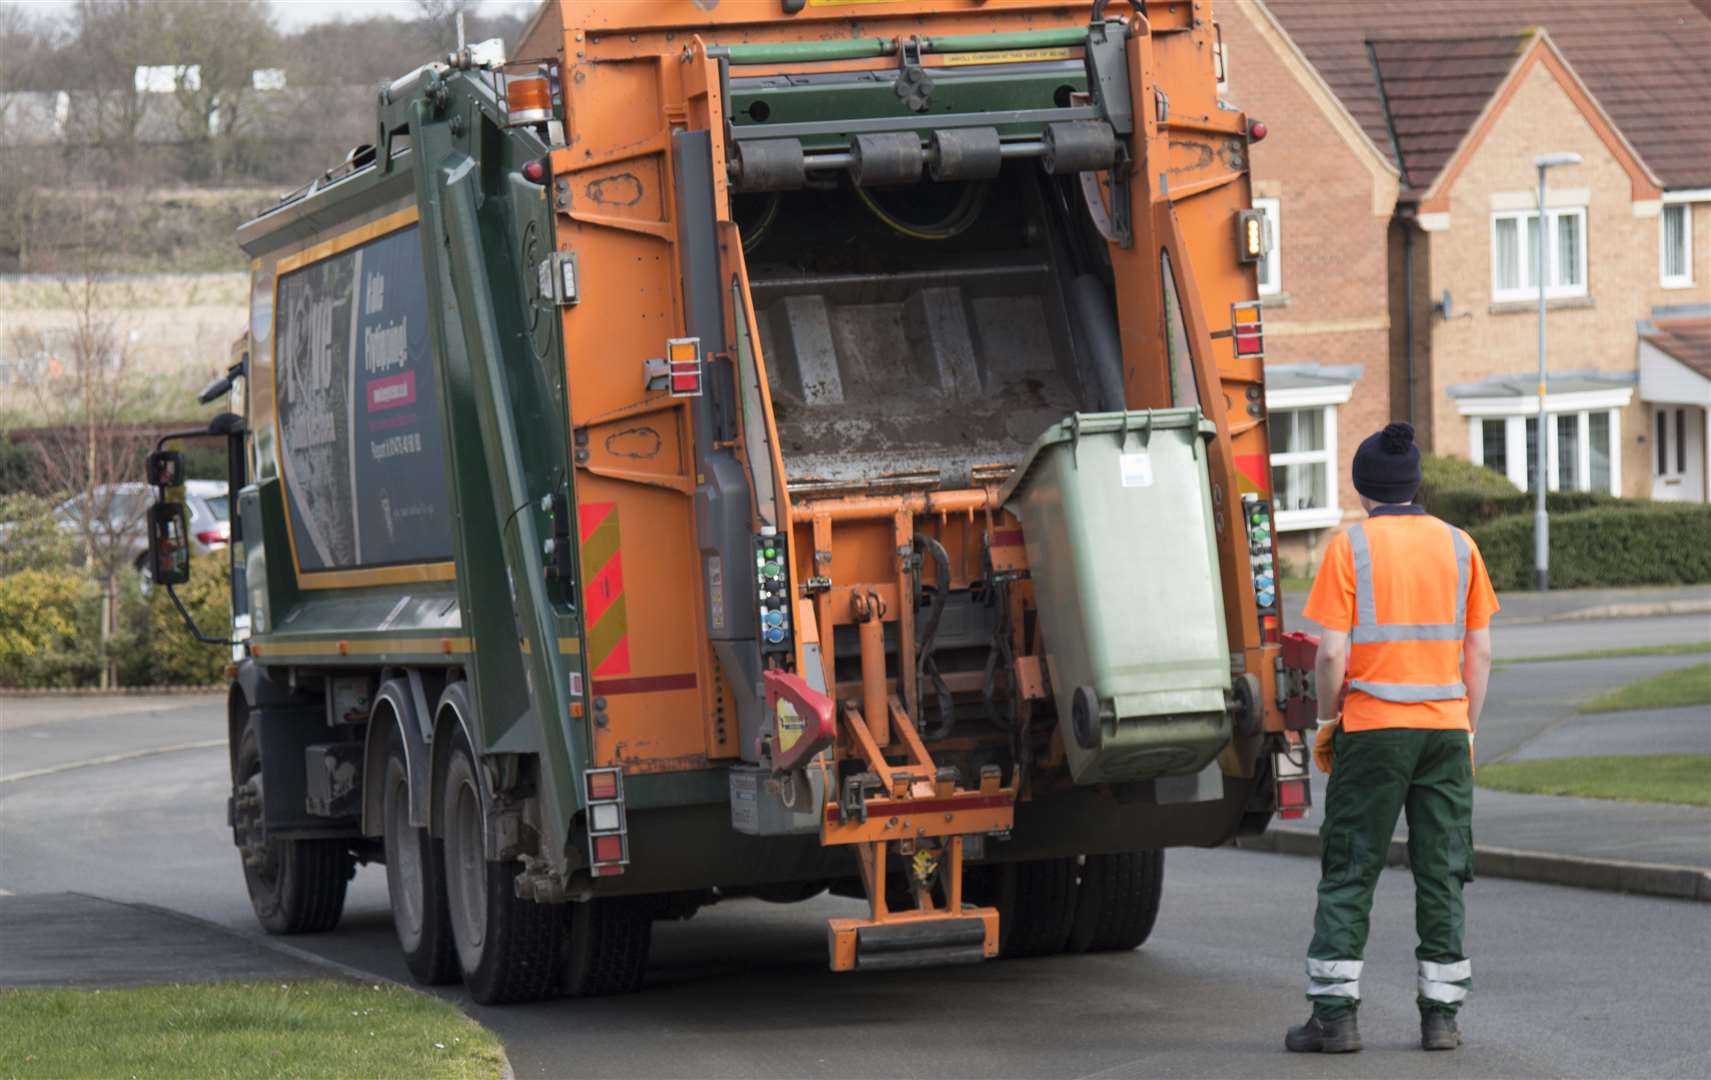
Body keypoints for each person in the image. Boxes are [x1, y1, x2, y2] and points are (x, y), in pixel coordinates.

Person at [1284, 422, 1497, 1055]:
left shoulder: (1350, 547)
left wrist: (1327, 723)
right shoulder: (1461, 546)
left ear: (1362, 487)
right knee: (1443, 871)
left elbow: (1329, 654)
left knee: (1351, 868)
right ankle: (1441, 1017)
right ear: (1415, 482)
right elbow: (1479, 651)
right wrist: (1464, 728)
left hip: (1374, 730)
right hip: (1444, 733)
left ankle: (1335, 1018)